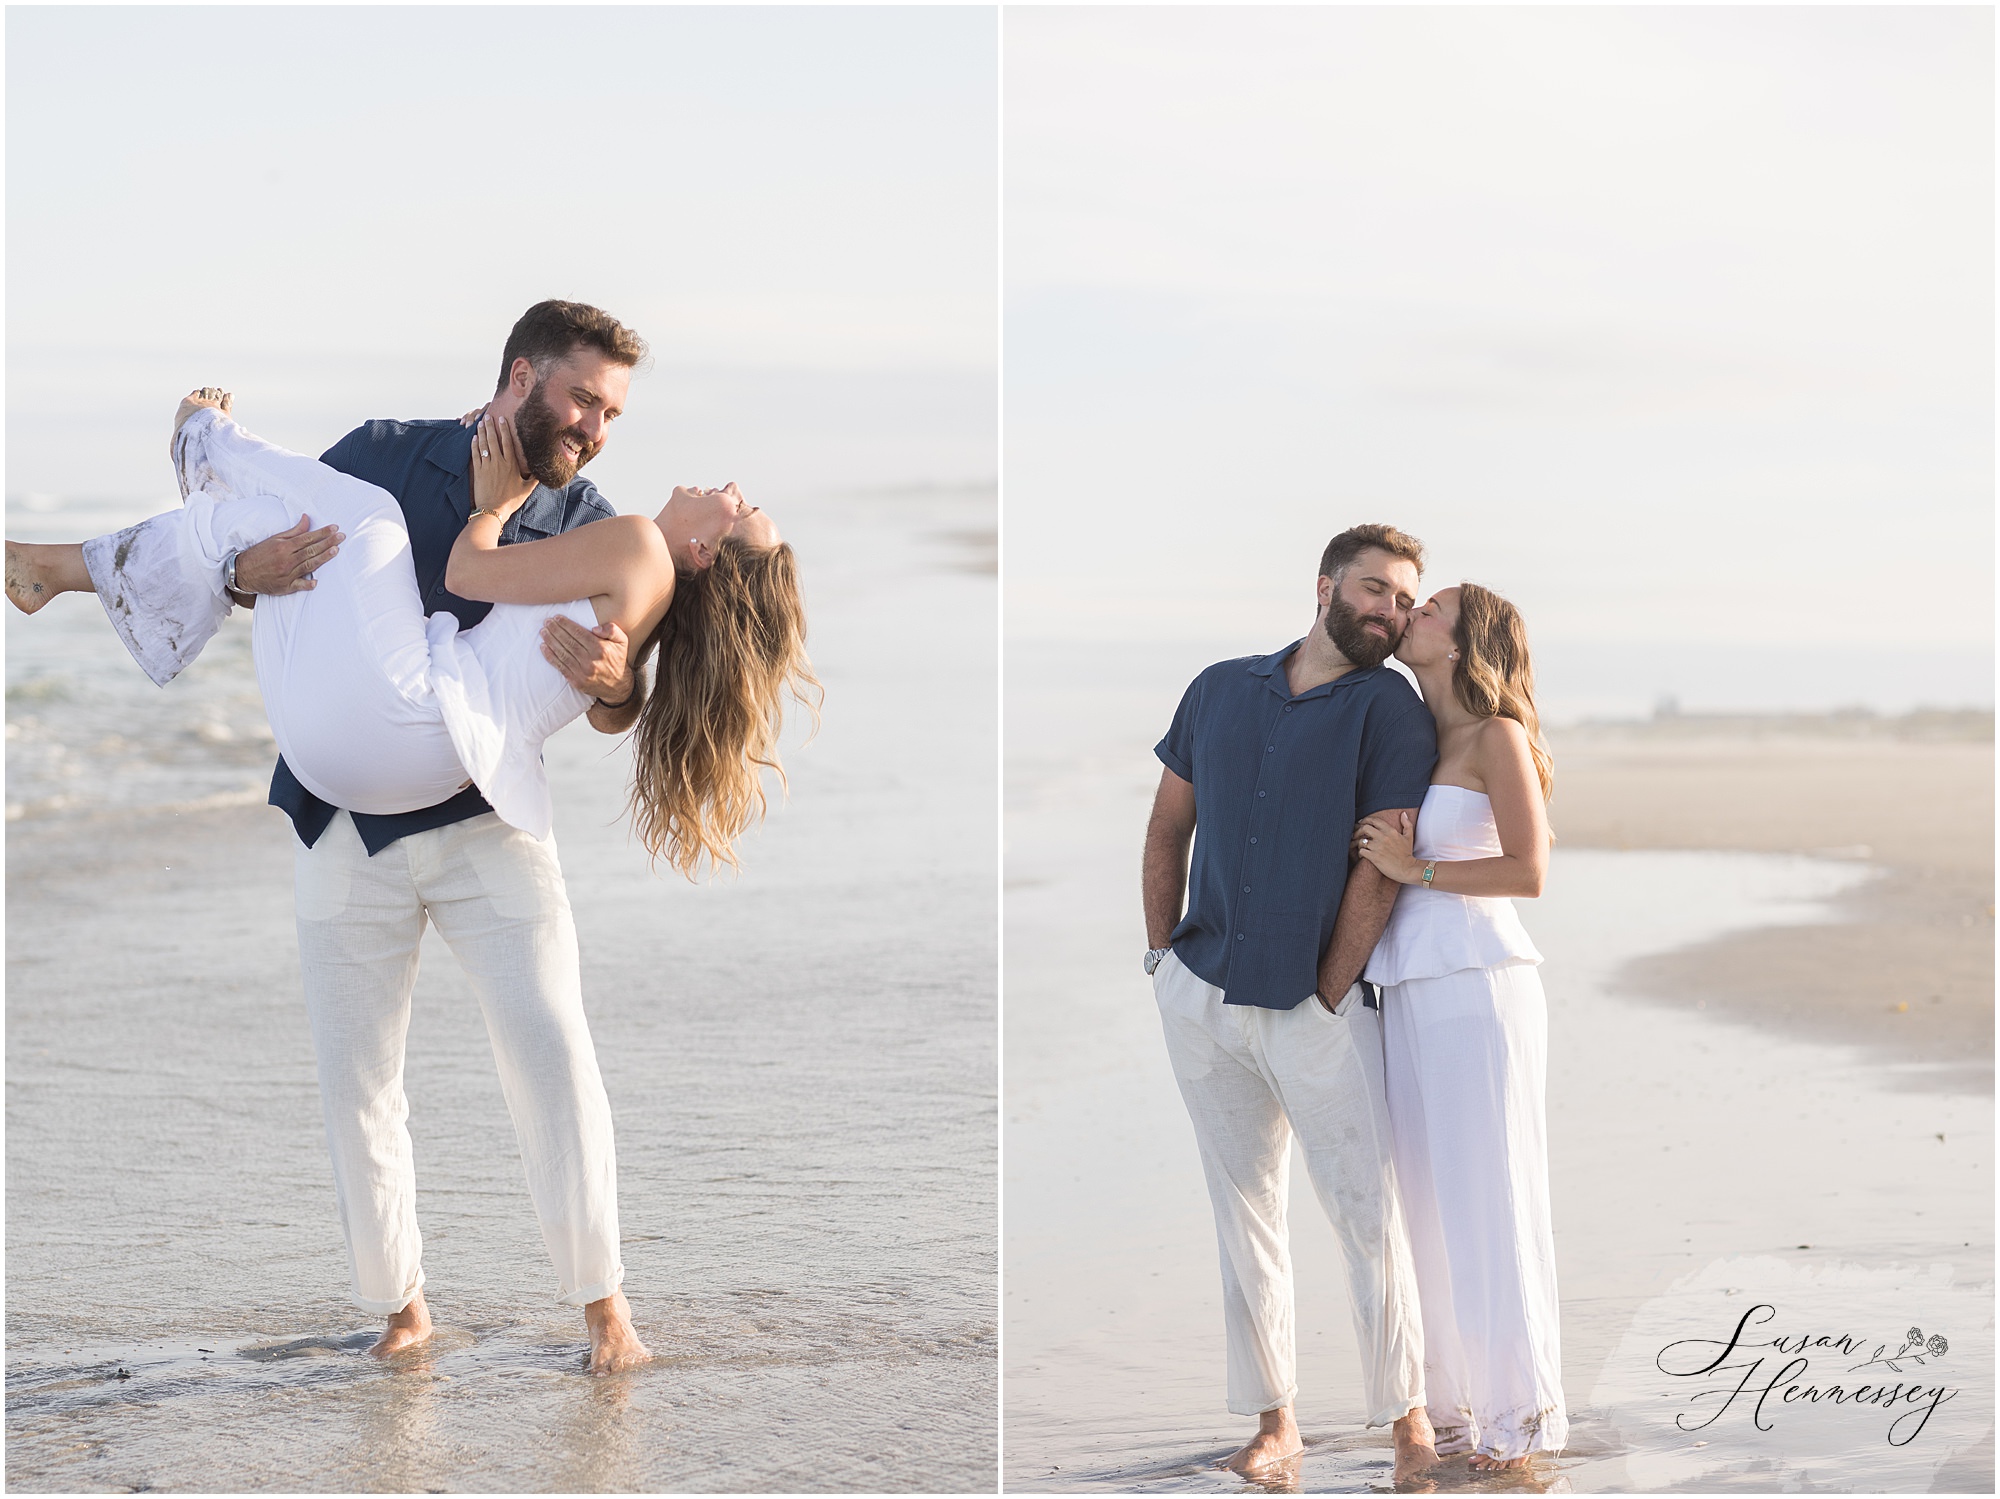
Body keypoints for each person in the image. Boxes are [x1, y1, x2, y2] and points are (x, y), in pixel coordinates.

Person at [4, 302, 810, 1372]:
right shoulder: (385, 450)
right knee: (357, 1079)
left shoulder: (594, 518)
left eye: (611, 412)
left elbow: (608, 696)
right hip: (346, 814)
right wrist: (245, 574)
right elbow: (283, 578)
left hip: (481, 815)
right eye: (583, 399)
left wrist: (618, 683)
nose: (595, 428)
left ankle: (605, 1307)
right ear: (519, 377)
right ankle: (400, 1311)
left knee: (553, 1054)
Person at [1140, 523, 1442, 1482]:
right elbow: (1168, 825)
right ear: (1324, 587)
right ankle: (1277, 1421)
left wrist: (1330, 990)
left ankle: (1409, 1420)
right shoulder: (1219, 687)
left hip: (1316, 1007)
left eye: (1405, 599)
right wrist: (1161, 960)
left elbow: (1382, 859)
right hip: (1202, 994)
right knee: (1243, 1214)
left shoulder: (1391, 710)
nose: (1391, 611)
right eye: (1376, 589)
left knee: (1364, 1211)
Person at [1352, 582, 1566, 1470]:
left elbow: (1530, 870)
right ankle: (1448, 1408)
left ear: (1462, 641)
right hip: (1407, 985)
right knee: (1421, 1202)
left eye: (1430, 607)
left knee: (1490, 1191)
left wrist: (1418, 870)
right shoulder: (1420, 740)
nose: (1411, 615)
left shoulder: (1495, 736)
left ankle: (1521, 1415)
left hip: (1478, 982)